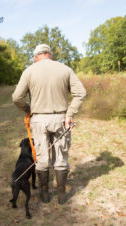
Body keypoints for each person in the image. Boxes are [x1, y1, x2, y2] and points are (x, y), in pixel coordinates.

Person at [12, 44, 86, 204]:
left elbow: (17, 97)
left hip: (38, 120)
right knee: (61, 158)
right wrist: (70, 114)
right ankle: (61, 196)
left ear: (35, 56)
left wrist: (28, 109)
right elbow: (81, 93)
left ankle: (45, 195)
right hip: (61, 119)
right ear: (49, 55)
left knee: (42, 158)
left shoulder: (29, 71)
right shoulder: (65, 69)